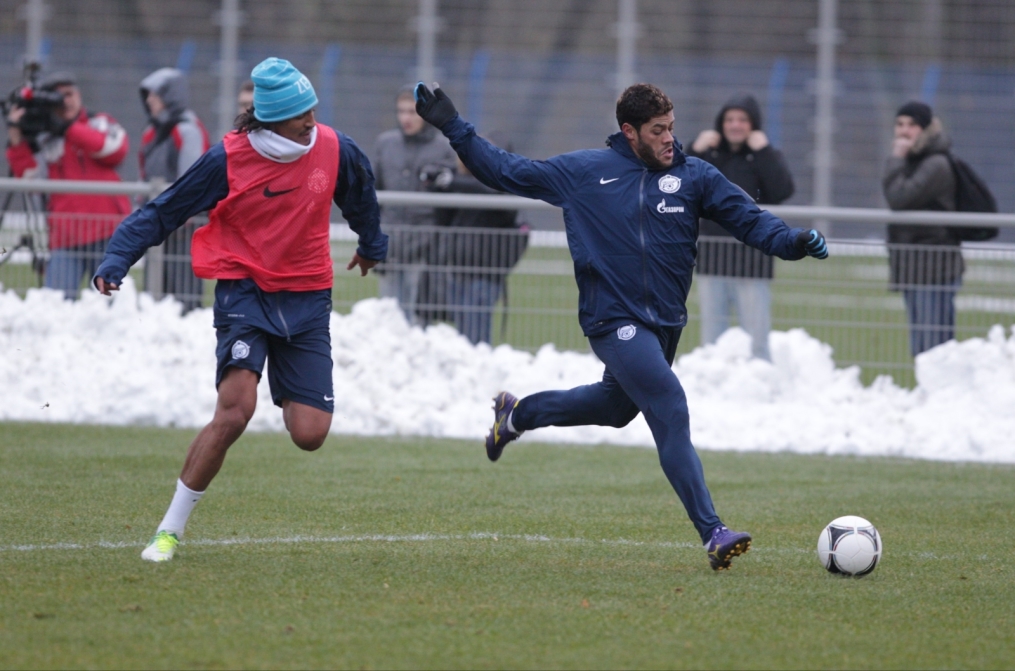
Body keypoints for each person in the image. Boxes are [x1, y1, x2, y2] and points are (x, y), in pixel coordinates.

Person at [414, 81, 828, 571]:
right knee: (668, 402)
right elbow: (504, 170)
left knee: (615, 409)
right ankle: (713, 532)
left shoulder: (694, 175)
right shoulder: (585, 172)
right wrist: (452, 125)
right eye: (657, 130)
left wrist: (792, 242)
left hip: (665, 323)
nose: (669, 138)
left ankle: (517, 414)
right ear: (630, 132)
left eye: (671, 127)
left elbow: (750, 220)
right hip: (612, 319)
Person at [93, 58, 388, 562]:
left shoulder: (337, 148)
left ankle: (284, 381)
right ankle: (168, 532)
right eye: (299, 114)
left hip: (308, 295)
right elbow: (165, 210)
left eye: (312, 108)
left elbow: (361, 198)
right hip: (244, 290)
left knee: (310, 434)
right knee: (235, 411)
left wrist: (372, 245)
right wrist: (119, 257)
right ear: (271, 118)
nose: (311, 120)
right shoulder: (228, 158)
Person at [4, 71, 131, 299]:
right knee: (56, 304)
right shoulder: (45, 138)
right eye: (58, 97)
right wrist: (16, 136)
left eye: (69, 94)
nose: (66, 101)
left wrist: (68, 129)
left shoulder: (98, 122)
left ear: (79, 95)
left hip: (107, 232)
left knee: (113, 306)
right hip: (65, 234)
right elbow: (31, 180)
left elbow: (115, 150)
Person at [688, 94, 795, 361]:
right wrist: (694, 150)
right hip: (713, 258)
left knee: (757, 339)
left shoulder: (763, 155)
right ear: (721, 123)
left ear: (753, 124)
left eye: (742, 120)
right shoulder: (708, 155)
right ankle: (712, 380)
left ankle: (760, 380)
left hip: (753, 261)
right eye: (730, 119)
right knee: (712, 339)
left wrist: (764, 152)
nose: (735, 125)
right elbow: (679, 184)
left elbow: (782, 190)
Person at [430, 131, 528, 345]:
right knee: (463, 336)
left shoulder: (500, 184)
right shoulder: (460, 183)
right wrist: (439, 186)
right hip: (458, 270)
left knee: (477, 337)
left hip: (484, 275)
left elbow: (496, 196)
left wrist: (453, 182)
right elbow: (443, 219)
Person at [883, 101, 964, 356]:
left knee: (933, 349)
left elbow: (898, 197)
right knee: (921, 348)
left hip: (934, 269)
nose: (904, 131)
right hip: (915, 267)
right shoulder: (914, 160)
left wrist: (896, 158)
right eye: (900, 124)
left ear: (926, 129)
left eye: (912, 125)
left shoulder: (935, 163)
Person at [373, 86, 457, 326]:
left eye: (412, 112)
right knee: (388, 317)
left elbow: (450, 200)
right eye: (401, 111)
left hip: (424, 246)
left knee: (418, 320)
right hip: (390, 243)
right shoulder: (385, 144)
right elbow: (375, 190)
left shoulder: (443, 147)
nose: (406, 118)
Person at [138, 67, 211, 313]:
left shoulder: (187, 130)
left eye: (155, 95)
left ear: (170, 96)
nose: (149, 101)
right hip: (157, 224)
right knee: (155, 292)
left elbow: (192, 181)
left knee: (184, 293)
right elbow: (144, 175)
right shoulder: (152, 132)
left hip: (183, 228)